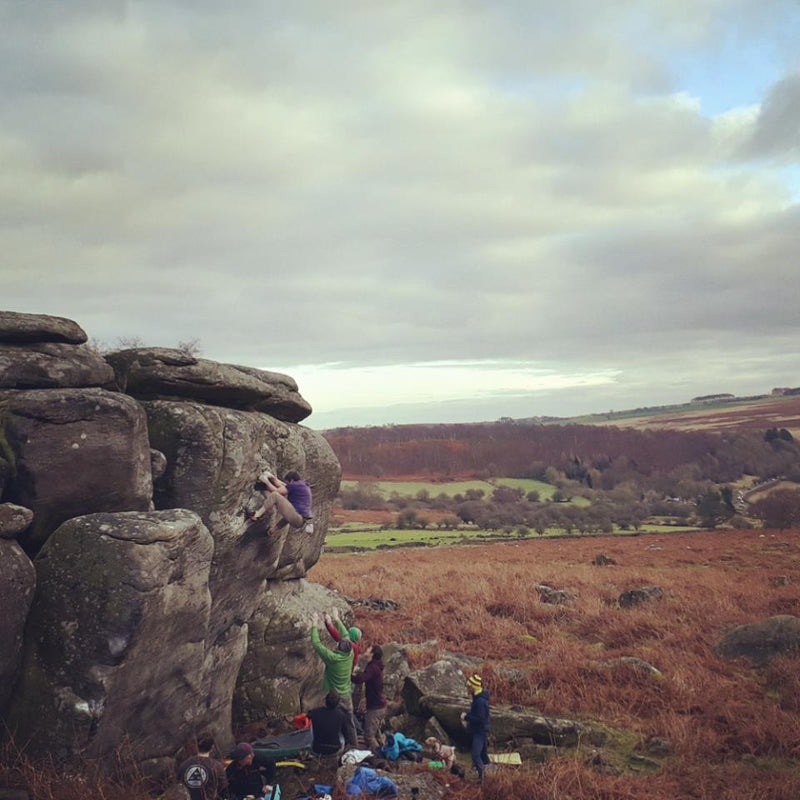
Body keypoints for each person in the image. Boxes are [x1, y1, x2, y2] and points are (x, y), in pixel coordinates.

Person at [310, 614, 357, 746]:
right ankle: (353, 746)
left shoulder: (333, 658)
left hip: (332, 695)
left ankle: (327, 743)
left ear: (338, 648)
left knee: (328, 719)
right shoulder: (350, 653)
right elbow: (345, 634)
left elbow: (316, 644)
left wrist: (314, 625)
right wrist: (335, 620)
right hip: (346, 694)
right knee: (349, 722)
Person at [246, 470, 313, 535]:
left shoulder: (295, 485)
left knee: (275, 495)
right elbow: (282, 485)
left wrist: (266, 482)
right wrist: (272, 477)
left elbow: (277, 491)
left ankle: (256, 515)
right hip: (300, 521)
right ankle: (271, 531)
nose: (287, 484)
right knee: (287, 515)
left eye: (288, 482)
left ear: (292, 480)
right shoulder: (302, 485)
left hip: (297, 517)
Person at [351, 644, 387, 751]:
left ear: (372, 654)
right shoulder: (377, 666)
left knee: (369, 736)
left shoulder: (372, 667)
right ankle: (384, 751)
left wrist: (348, 675)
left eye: (368, 649)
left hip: (375, 707)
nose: (365, 650)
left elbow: (360, 679)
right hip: (380, 705)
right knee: (376, 733)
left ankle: (378, 757)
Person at [177, 732, 228, 800]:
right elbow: (223, 787)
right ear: (212, 747)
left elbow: (180, 785)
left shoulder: (184, 765)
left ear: (196, 746)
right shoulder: (216, 766)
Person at [462, 674, 491, 780]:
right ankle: (488, 776)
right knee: (483, 755)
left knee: (475, 755)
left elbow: (480, 719)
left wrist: (467, 717)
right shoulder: (478, 698)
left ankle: (482, 778)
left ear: (473, 687)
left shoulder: (479, 702)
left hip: (480, 732)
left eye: (469, 686)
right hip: (480, 731)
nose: (467, 688)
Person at [308, 690, 352, 757]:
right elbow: (346, 734)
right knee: (340, 731)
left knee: (312, 725)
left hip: (316, 749)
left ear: (325, 701)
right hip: (334, 750)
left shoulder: (315, 712)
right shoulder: (341, 714)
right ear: (338, 703)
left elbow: (308, 715)